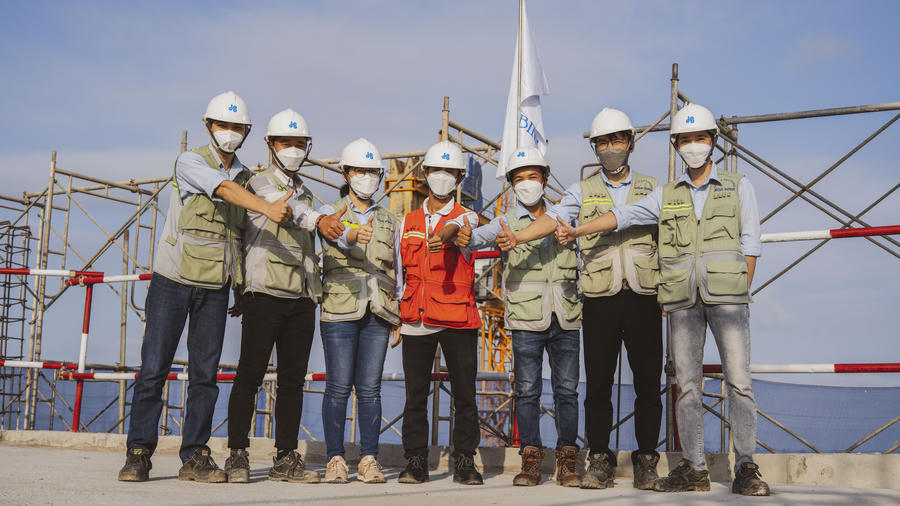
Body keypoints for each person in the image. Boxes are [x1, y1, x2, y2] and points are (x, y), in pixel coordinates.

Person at [552, 103, 770, 496]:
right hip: (678, 303)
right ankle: (694, 469)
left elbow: (751, 244)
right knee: (685, 387)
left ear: (713, 141)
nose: (693, 146)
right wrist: (577, 230)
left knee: (738, 384)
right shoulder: (666, 194)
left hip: (718, 301)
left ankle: (745, 468)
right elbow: (622, 216)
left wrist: (738, 292)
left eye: (699, 138)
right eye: (685, 140)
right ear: (676, 145)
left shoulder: (738, 186)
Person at [119, 92, 295, 483]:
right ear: (208, 126)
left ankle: (195, 455)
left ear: (247, 131)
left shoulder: (247, 177)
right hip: (172, 280)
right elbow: (223, 189)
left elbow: (238, 235)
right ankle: (138, 453)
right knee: (154, 369)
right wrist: (267, 207)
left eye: (237, 127)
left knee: (205, 375)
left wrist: (239, 286)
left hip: (215, 286)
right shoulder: (190, 161)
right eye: (222, 125)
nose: (229, 132)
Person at [498, 108, 663, 490]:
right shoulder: (580, 190)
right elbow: (554, 218)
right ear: (594, 147)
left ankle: (646, 461)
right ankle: (600, 459)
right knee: (598, 386)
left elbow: (664, 240)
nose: (609, 148)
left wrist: (669, 292)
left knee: (648, 385)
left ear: (631, 143)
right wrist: (519, 236)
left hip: (644, 296)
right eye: (602, 142)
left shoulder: (654, 188)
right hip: (600, 298)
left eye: (616, 140)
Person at [223, 108, 345, 483]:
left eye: (299, 144)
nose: (293, 149)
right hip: (264, 293)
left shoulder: (307, 192)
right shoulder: (257, 184)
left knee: (293, 382)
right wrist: (321, 220)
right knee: (249, 376)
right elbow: (293, 212)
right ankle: (237, 455)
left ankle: (286, 457)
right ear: (270, 145)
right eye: (285, 142)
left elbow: (313, 216)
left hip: (301, 298)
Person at [453, 147, 583, 487]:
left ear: (545, 179)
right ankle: (530, 459)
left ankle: (567, 459)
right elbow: (474, 239)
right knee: (527, 392)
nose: (527, 183)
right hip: (526, 320)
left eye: (533, 176)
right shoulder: (504, 221)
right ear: (511, 184)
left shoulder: (565, 216)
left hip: (566, 315)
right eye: (520, 178)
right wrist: (463, 232)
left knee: (567, 392)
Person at [394, 140, 483, 486]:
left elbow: (460, 225)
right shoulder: (408, 221)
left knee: (465, 396)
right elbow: (398, 273)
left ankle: (465, 461)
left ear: (459, 177)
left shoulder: (467, 219)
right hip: (416, 318)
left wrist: (449, 234)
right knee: (415, 396)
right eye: (436, 170)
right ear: (426, 173)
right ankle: (416, 461)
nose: (442, 176)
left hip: (458, 319)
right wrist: (397, 316)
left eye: (450, 171)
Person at [317, 139, 399, 484]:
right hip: (339, 308)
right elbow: (333, 239)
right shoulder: (329, 211)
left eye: (372, 171)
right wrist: (352, 234)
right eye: (360, 171)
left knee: (370, 390)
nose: (367, 177)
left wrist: (398, 315)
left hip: (378, 311)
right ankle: (335, 459)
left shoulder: (390, 219)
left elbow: (396, 269)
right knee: (337, 387)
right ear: (346, 174)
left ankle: (368, 458)